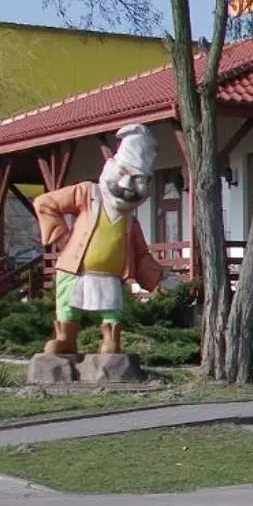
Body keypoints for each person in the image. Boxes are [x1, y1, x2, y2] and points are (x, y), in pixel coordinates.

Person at [32, 123, 172, 357]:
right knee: (68, 304)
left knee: (112, 309)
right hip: (74, 269)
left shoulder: (130, 222)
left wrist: (162, 277)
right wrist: (62, 236)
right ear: (110, 168)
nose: (126, 186)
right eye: (123, 174)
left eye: (137, 179)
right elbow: (45, 203)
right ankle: (65, 338)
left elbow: (140, 256)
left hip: (111, 277)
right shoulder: (88, 193)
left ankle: (111, 340)